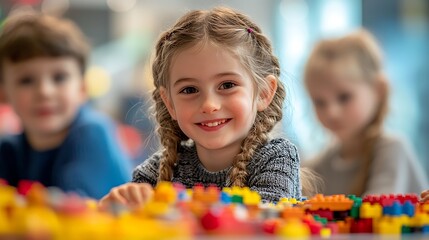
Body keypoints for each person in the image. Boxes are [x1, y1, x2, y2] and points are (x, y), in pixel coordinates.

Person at [99, 7, 304, 208]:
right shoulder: (159, 170)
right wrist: (117, 207)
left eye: (227, 85)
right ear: (169, 103)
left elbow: (262, 222)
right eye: (189, 90)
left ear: (264, 93)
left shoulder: (276, 158)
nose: (209, 105)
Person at [0, 11, 132, 199]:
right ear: (3, 93)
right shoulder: (8, 149)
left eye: (59, 77)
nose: (44, 91)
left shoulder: (92, 133)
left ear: (82, 88)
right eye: (26, 80)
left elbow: (73, 207)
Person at [303, 29, 428, 196]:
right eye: (319, 102)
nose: (331, 112)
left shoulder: (392, 150)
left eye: (344, 97)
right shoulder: (315, 166)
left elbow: (375, 216)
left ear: (378, 91)